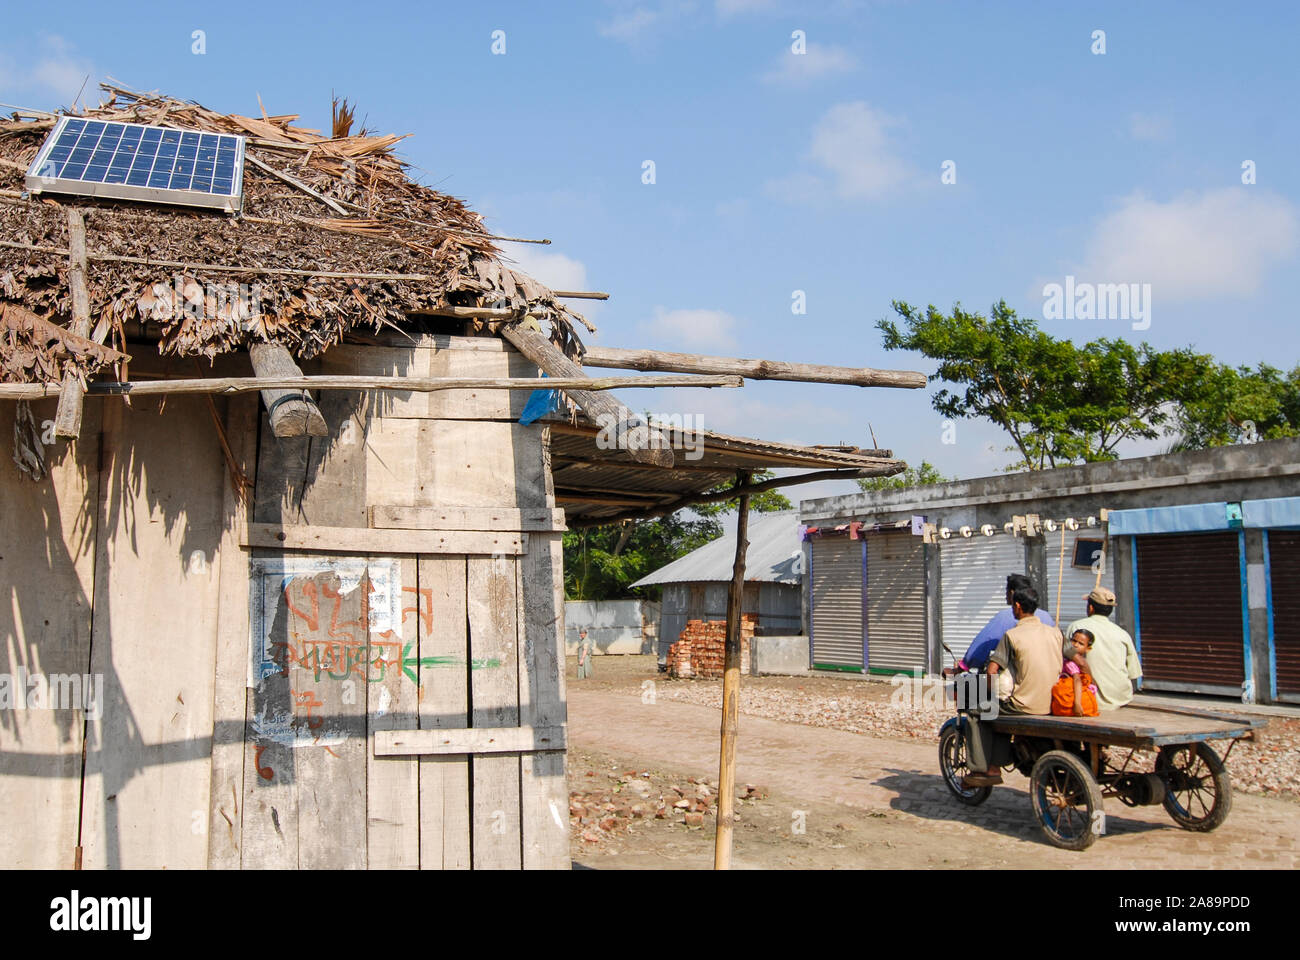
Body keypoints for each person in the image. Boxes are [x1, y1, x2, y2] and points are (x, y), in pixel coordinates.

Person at [961, 586, 1063, 788]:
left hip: (1025, 705)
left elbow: (991, 671)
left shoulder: (1012, 635)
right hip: (1053, 703)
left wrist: (990, 695)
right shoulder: (1055, 632)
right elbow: (1079, 661)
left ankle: (985, 769)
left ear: (1017, 606)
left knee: (978, 712)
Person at [955, 574, 1057, 672]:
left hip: (1015, 679)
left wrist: (963, 666)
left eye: (1006, 591)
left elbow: (983, 645)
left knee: (968, 686)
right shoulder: (1047, 618)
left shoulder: (1005, 617)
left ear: (1012, 593)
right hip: (1046, 676)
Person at [1064, 587, 1142, 710]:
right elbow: (1134, 673)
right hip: (1121, 697)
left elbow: (1067, 657)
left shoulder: (1076, 627)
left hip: (1091, 698)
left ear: (1090, 608)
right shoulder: (1122, 634)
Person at [1052, 628, 1100, 717]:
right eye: (1074, 641)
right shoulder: (1080, 662)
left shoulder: (1071, 663)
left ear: (1088, 649)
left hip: (1077, 700)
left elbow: (1077, 680)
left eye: (1081, 644)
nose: (1075, 645)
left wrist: (1077, 704)